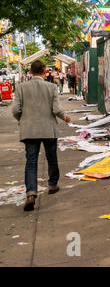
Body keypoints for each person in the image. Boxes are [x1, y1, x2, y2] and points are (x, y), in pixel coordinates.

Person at [11, 60, 71, 211]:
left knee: (31, 161)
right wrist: (65, 117)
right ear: (45, 71)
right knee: (51, 157)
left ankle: (31, 192)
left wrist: (23, 120)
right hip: (48, 129)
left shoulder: (21, 87)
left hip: (29, 130)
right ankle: (52, 185)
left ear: (30, 72)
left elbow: (15, 110)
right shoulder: (51, 87)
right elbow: (56, 109)